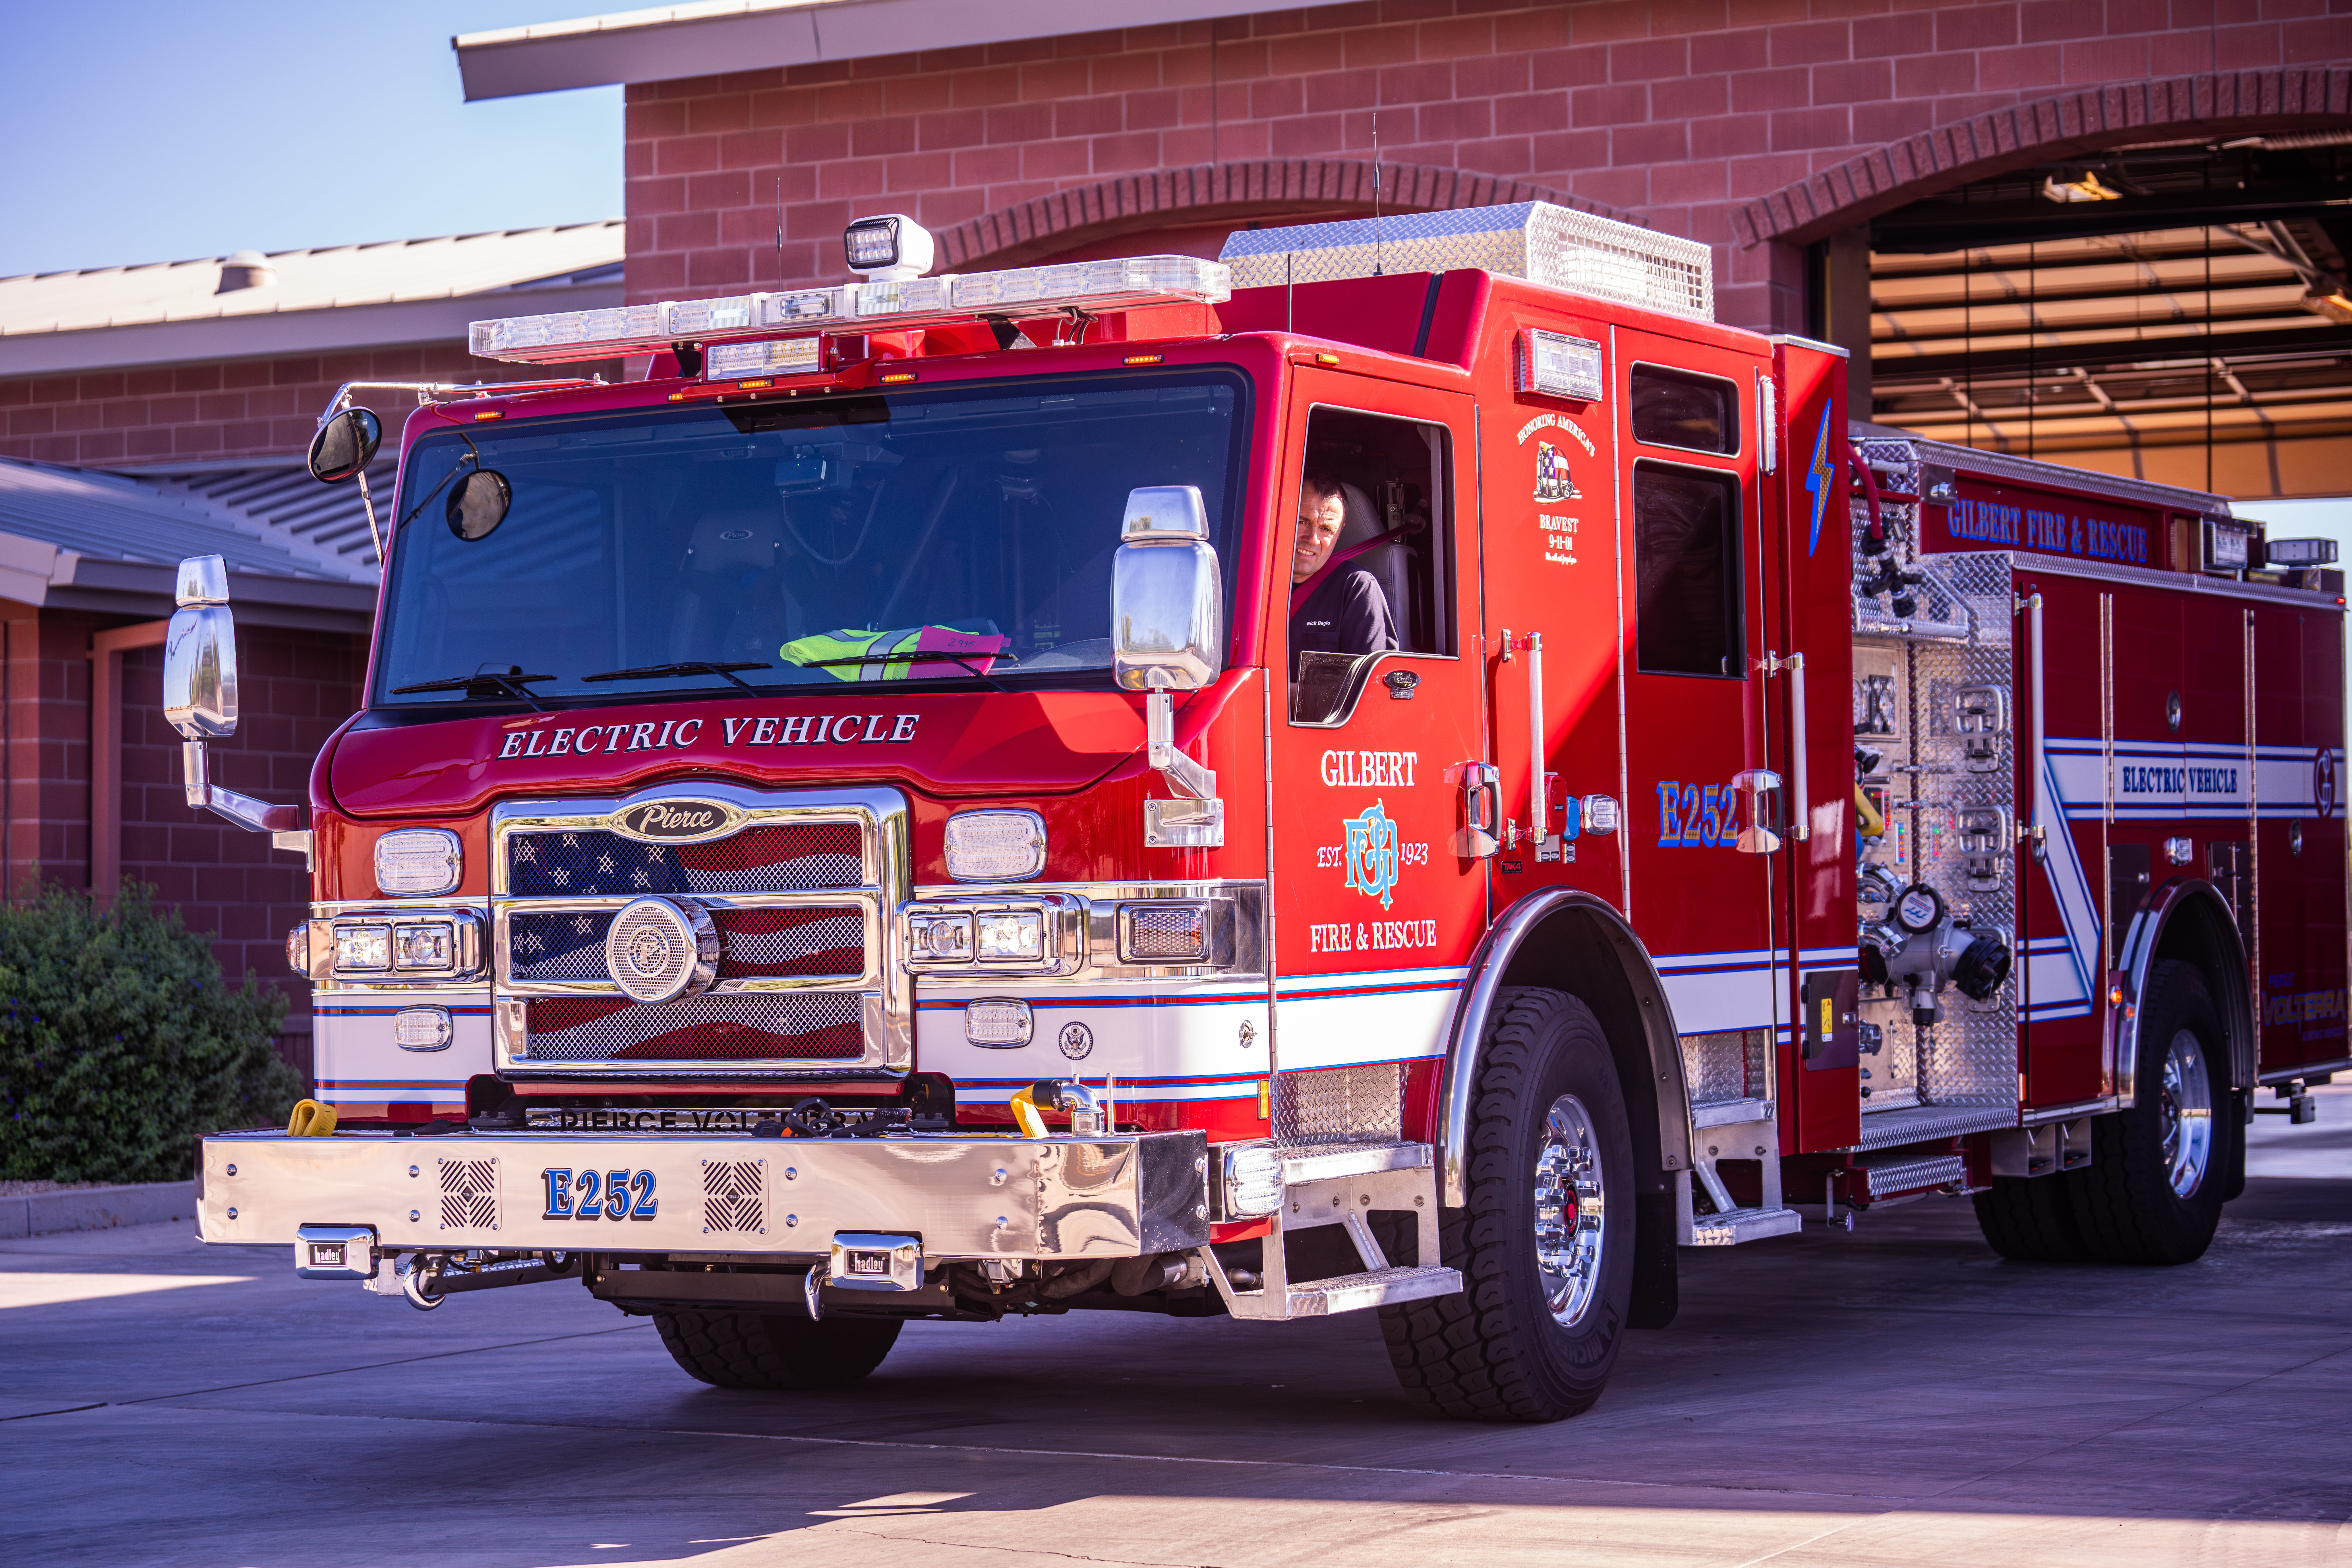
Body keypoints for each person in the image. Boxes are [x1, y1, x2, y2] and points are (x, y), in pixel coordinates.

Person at [1288, 470, 1397, 674]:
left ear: (1339, 533)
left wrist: (1288, 691)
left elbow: (1368, 685)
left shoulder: (1357, 588)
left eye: (1327, 529)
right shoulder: (1247, 580)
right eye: (1302, 522)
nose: (1313, 539)